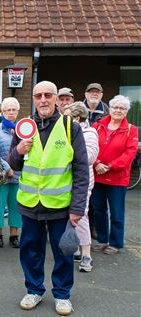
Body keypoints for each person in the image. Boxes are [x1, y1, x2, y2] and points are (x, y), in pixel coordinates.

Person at [9, 80, 89, 316]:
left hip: (60, 205)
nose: (43, 100)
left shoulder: (69, 127)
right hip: (30, 203)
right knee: (30, 249)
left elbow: (82, 170)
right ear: (33, 99)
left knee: (63, 251)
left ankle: (62, 294)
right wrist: (18, 151)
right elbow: (13, 164)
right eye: (38, 95)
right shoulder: (24, 126)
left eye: (48, 95)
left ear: (56, 98)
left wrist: (77, 208)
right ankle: (34, 289)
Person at [91, 95, 138, 255]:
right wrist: (96, 163)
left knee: (117, 213)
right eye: (115, 107)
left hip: (117, 179)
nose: (118, 110)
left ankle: (116, 243)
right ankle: (103, 240)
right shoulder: (97, 126)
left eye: (122, 108)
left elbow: (129, 154)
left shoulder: (132, 130)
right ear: (109, 109)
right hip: (97, 175)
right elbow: (89, 147)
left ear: (126, 112)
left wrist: (110, 166)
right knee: (99, 210)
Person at [64, 102, 99, 272]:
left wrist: (70, 149)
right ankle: (76, 249)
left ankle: (87, 255)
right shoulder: (66, 131)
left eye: (68, 116)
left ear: (77, 117)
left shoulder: (89, 133)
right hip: (66, 179)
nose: (64, 119)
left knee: (81, 215)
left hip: (82, 181)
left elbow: (90, 157)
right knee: (68, 214)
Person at [0, 97, 22, 248]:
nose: (11, 113)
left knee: (16, 206)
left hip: (19, 175)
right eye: (7, 110)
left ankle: (14, 235)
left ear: (18, 111)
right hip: (1, 174)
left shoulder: (24, 129)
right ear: (2, 112)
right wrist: (6, 168)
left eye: (13, 110)